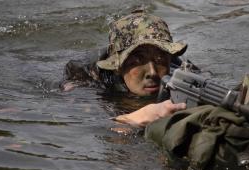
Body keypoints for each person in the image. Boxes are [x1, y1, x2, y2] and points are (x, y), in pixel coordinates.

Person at [62, 11, 191, 127]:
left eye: (159, 58)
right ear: (118, 67)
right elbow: (90, 126)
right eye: (137, 61)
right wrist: (137, 117)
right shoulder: (87, 83)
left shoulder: (181, 72)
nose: (152, 72)